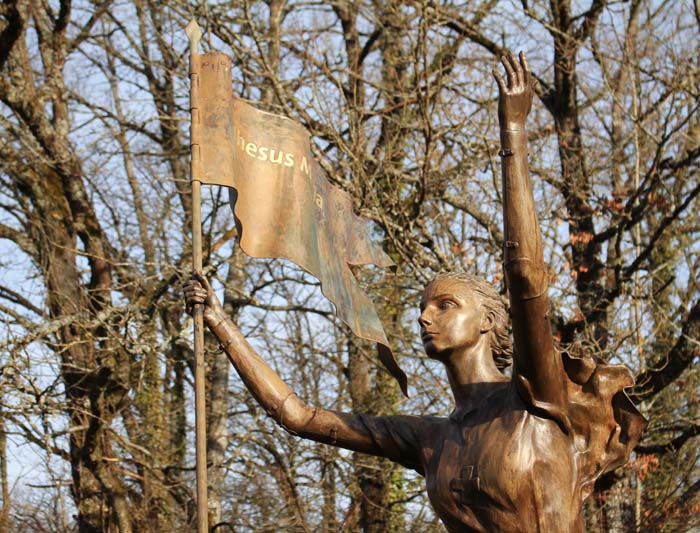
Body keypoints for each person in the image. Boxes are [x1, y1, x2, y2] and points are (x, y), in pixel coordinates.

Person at [184, 52, 645, 533]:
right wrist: (218, 321)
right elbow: (298, 416)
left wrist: (513, 132)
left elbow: (525, 276)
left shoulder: (534, 396)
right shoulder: (431, 438)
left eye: (445, 305)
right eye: (423, 306)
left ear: (489, 320)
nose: (425, 317)